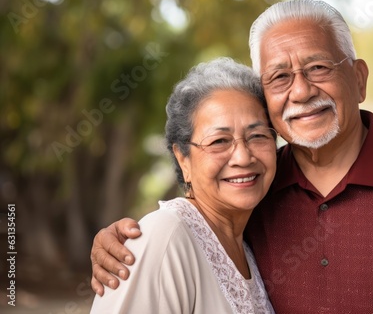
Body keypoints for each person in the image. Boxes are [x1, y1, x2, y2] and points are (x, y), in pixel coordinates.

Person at [90, 0, 373, 313]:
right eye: (280, 77)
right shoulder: (254, 190)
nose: (301, 91)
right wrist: (123, 244)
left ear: (358, 79)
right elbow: (181, 239)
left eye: (318, 67)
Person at [90, 57, 277, 313]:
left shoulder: (248, 244)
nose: (243, 157)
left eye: (257, 136)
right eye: (219, 141)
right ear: (183, 159)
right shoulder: (166, 236)